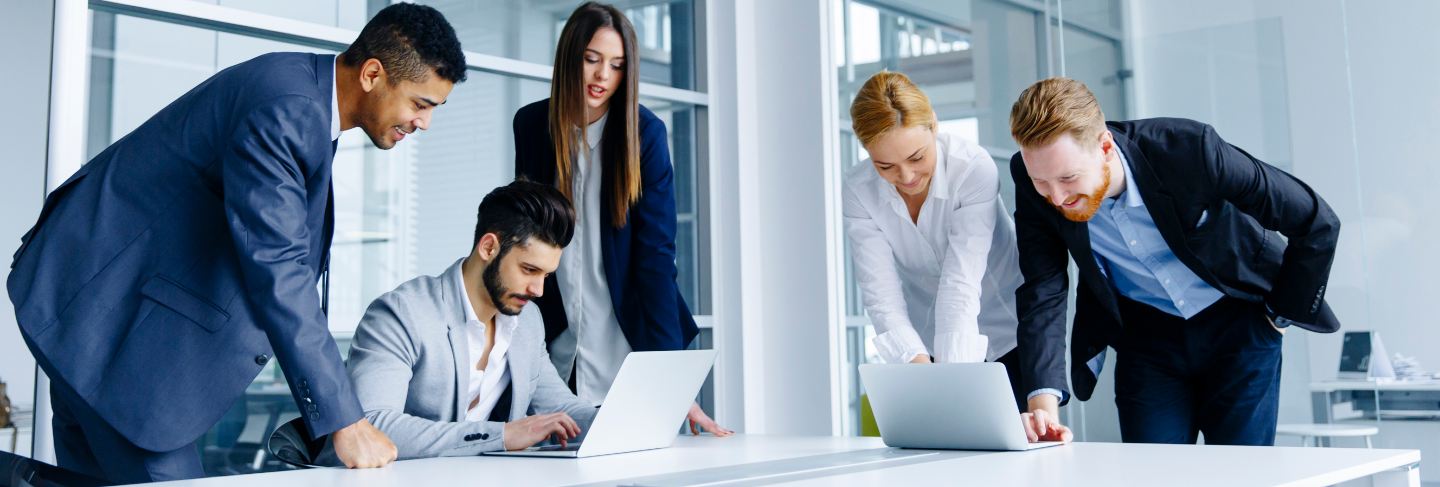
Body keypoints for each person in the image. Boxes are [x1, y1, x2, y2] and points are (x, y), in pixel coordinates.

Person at [6, 4, 466, 481]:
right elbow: (278, 264)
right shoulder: (286, 108)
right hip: (97, 314)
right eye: (420, 104)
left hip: (90, 306)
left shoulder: (304, 99)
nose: (424, 123)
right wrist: (345, 420)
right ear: (373, 73)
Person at [1008, 77, 1341, 445]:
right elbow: (1044, 286)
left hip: (1238, 329)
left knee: (1242, 476)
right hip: (1147, 342)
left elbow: (1315, 221)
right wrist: (1042, 407)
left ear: (1104, 147)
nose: (1055, 197)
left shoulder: (1189, 151)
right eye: (1042, 183)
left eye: (1068, 178)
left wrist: (1279, 314)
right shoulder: (1031, 178)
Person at [512, 1, 729, 436]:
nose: (602, 76)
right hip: (557, 351)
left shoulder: (644, 135)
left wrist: (673, 381)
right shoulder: (533, 125)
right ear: (570, 56)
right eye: (592, 60)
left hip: (629, 349)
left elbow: (656, 259)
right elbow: (524, 231)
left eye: (616, 65)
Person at [344, 181, 596, 458]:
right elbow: (371, 424)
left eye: (546, 275)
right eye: (528, 269)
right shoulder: (401, 314)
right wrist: (502, 435)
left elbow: (561, 410)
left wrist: (623, 423)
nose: (538, 290)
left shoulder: (527, 321)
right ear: (488, 248)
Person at [842, 71, 1038, 416]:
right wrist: (921, 368)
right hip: (927, 341)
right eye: (885, 166)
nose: (906, 178)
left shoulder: (972, 169)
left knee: (1019, 453)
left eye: (917, 158)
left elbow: (960, 284)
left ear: (933, 125)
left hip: (1008, 332)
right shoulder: (859, 191)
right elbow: (880, 294)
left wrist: (950, 384)